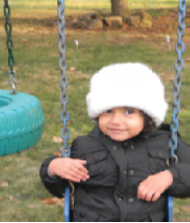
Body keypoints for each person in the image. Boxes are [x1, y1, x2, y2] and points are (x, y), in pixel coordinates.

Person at [41, 63, 190, 222]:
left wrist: (169, 176)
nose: (115, 121)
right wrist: (53, 168)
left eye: (129, 112)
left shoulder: (165, 142)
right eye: (108, 111)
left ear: (147, 117)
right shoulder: (85, 145)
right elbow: (61, 187)